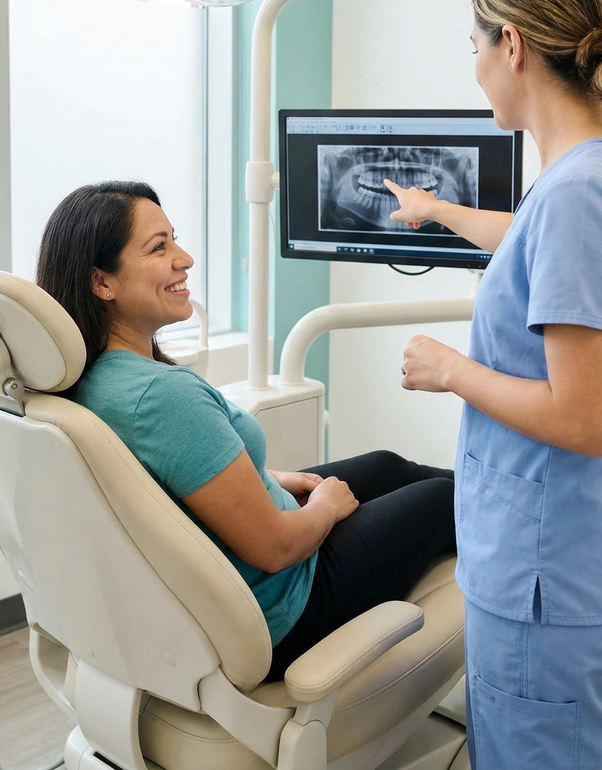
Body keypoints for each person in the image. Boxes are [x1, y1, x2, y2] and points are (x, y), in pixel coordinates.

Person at [385, 0, 602, 770]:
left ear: (512, 45)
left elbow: (582, 418)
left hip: (548, 570)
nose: (475, 70)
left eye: (475, 48)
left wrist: (449, 369)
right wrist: (439, 209)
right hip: (578, 554)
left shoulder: (578, 195)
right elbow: (536, 247)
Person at [36, 180, 456, 680]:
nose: (185, 258)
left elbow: (159, 484)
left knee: (388, 466)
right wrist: (323, 509)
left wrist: (267, 478)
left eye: (175, 238)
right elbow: (275, 548)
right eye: (160, 247)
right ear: (102, 282)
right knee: (443, 500)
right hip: (284, 607)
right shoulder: (160, 398)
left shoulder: (89, 380)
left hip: (233, 581)